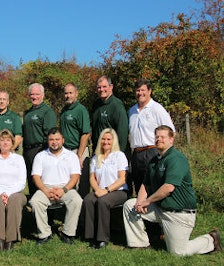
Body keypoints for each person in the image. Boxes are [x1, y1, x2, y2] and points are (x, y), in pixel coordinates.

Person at [123, 125, 222, 255]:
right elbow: (145, 184)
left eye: (163, 137)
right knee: (130, 205)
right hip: (161, 209)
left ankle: (210, 239)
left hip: (179, 213)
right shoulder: (154, 161)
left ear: (171, 140)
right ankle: (140, 245)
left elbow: (168, 188)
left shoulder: (176, 159)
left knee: (178, 253)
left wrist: (147, 201)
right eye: (157, 137)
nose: (159, 139)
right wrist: (140, 201)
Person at [29, 127, 82, 245]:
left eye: (57, 139)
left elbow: (75, 176)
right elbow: (36, 177)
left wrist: (64, 190)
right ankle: (45, 234)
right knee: (35, 202)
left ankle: (67, 233)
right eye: (51, 139)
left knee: (77, 200)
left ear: (63, 140)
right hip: (45, 187)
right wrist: (45, 190)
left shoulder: (71, 156)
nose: (54, 142)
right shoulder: (41, 156)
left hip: (65, 187)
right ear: (48, 141)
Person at [128, 79, 176, 195]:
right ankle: (141, 211)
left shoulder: (157, 108)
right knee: (139, 187)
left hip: (152, 152)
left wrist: (166, 153)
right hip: (136, 154)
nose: (140, 93)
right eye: (138, 90)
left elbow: (171, 132)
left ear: (150, 91)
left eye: (143, 90)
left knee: (153, 186)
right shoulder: (131, 111)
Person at [83, 128, 128, 249]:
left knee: (103, 201)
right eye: (103, 139)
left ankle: (102, 239)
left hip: (118, 191)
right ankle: (91, 236)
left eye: (109, 139)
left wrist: (106, 190)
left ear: (114, 141)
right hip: (100, 190)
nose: (105, 141)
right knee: (88, 199)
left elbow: (122, 179)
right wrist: (97, 189)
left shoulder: (119, 156)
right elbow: (92, 177)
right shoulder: (96, 157)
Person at [23, 83, 57, 196]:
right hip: (27, 151)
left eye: (37, 94)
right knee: (31, 181)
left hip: (40, 149)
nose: (34, 97)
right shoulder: (28, 113)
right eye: (32, 94)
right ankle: (34, 209)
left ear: (43, 95)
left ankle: (49, 211)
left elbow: (50, 135)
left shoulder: (47, 112)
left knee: (42, 181)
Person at [60, 82, 91, 198]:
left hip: (78, 150)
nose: (68, 95)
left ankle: (83, 212)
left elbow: (85, 133)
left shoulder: (81, 110)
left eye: (71, 93)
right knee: (68, 182)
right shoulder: (64, 110)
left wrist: (79, 155)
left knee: (81, 183)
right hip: (66, 151)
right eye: (66, 93)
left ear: (76, 94)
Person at [91, 75, 128, 153]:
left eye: (104, 87)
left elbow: (122, 133)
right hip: (99, 151)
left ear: (111, 87)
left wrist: (119, 153)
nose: (101, 90)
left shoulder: (117, 105)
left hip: (113, 151)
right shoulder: (96, 105)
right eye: (99, 87)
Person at [0, 89, 23, 153]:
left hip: (10, 154)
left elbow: (18, 137)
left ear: (8, 102)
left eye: (4, 99)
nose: (2, 101)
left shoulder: (15, 118)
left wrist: (10, 151)